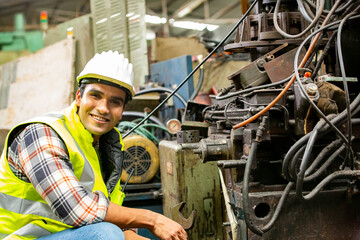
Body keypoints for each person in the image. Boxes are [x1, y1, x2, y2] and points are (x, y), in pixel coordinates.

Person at [0, 51, 187, 240]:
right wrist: (152, 219)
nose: (104, 108)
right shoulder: (41, 134)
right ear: (79, 97)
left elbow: (105, 219)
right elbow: (75, 208)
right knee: (106, 234)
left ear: (122, 110)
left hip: (66, 235)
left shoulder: (106, 145)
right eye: (95, 95)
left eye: (115, 102)